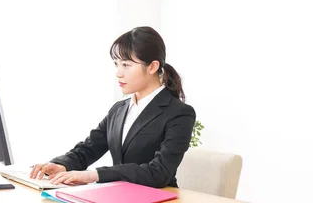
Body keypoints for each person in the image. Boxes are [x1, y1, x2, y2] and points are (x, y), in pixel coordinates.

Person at [30, 26, 196, 188]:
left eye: (126, 65)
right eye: (116, 64)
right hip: (121, 197)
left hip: (160, 202)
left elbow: (159, 172)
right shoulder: (119, 109)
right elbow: (89, 148)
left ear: (152, 66)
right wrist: (61, 165)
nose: (118, 72)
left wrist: (95, 174)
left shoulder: (179, 113)